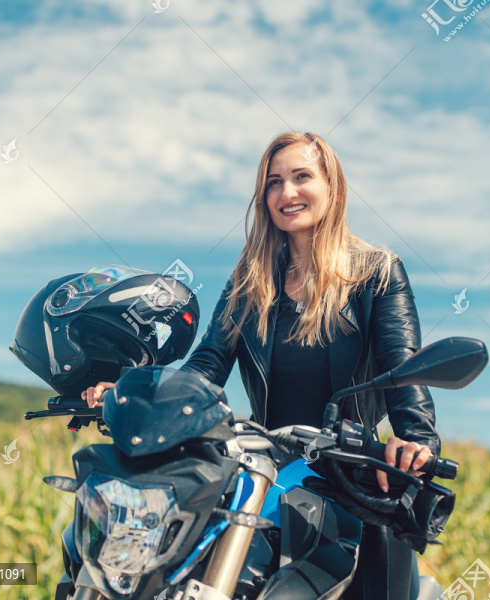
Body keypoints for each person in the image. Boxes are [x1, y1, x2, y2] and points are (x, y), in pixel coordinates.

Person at [82, 131, 439, 599]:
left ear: (332, 186)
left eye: (301, 177)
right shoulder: (251, 280)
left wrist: (415, 437)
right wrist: (146, 399)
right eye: (274, 182)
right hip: (262, 463)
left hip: (345, 468)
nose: (287, 193)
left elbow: (403, 364)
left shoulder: (374, 272)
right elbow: (208, 363)